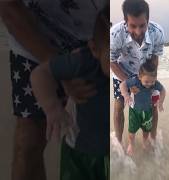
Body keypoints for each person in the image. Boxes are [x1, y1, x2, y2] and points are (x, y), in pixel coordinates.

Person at [0, 1, 106, 179]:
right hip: (35, 30)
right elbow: (8, 7)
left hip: (102, 36)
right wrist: (52, 104)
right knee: (28, 142)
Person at [30, 10, 109, 180]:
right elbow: (40, 74)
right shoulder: (83, 61)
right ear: (95, 49)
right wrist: (52, 108)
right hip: (79, 153)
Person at [110, 0, 165, 143]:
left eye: (142, 25)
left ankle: (152, 141)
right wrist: (128, 84)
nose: (138, 32)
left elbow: (154, 59)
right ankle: (119, 143)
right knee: (118, 106)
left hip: (147, 74)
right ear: (125, 22)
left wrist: (150, 81)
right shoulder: (115, 34)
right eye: (133, 26)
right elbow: (111, 61)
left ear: (148, 20)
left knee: (153, 106)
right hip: (122, 72)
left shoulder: (157, 32)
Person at [120, 60, 166, 156]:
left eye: (152, 81)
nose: (149, 84)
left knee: (146, 130)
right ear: (140, 77)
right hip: (135, 112)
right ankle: (131, 144)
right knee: (132, 132)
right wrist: (126, 95)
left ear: (155, 78)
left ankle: (145, 141)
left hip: (147, 111)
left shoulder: (155, 83)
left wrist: (160, 102)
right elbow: (123, 84)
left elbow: (163, 90)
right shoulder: (135, 81)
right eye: (146, 81)